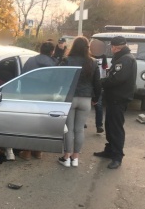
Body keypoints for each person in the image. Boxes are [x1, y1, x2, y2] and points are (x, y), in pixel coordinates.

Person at [93, 36, 137, 169]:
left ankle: (117, 156)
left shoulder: (125, 59)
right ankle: (109, 150)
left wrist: (100, 83)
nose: (111, 49)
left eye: (112, 47)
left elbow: (117, 79)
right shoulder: (124, 57)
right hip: (114, 99)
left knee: (116, 128)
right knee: (110, 126)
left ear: (115, 47)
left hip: (118, 99)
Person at [58, 36, 102, 167]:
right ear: (87, 47)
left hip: (70, 98)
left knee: (69, 129)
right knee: (79, 130)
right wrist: (95, 99)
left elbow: (59, 79)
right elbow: (97, 83)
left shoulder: (66, 60)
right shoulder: (93, 62)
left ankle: (66, 157)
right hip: (86, 99)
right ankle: (75, 158)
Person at [18, 41, 57, 160]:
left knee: (29, 123)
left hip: (29, 96)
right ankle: (38, 151)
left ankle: (27, 152)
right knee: (42, 123)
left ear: (40, 50)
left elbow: (22, 77)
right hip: (45, 98)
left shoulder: (30, 61)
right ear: (52, 51)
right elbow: (55, 83)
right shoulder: (54, 64)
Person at [93, 53, 108, 133]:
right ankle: (83, 123)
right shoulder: (88, 55)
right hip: (91, 82)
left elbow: (105, 68)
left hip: (99, 81)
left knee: (98, 105)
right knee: (85, 105)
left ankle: (99, 125)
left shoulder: (103, 56)